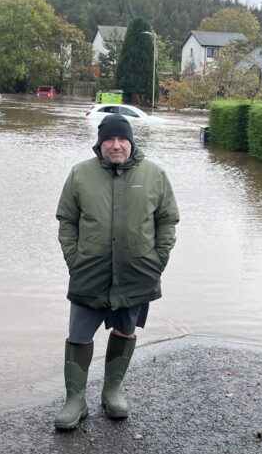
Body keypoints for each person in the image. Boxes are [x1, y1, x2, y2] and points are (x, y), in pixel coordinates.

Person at [54, 113, 179, 430]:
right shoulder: (80, 174)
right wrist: (75, 258)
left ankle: (112, 391)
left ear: (131, 141)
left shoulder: (155, 174)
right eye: (109, 139)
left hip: (137, 272)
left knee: (125, 329)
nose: (116, 145)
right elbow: (67, 221)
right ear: (100, 144)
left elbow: (167, 221)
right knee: (79, 334)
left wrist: (156, 261)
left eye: (122, 138)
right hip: (90, 270)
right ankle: (75, 400)